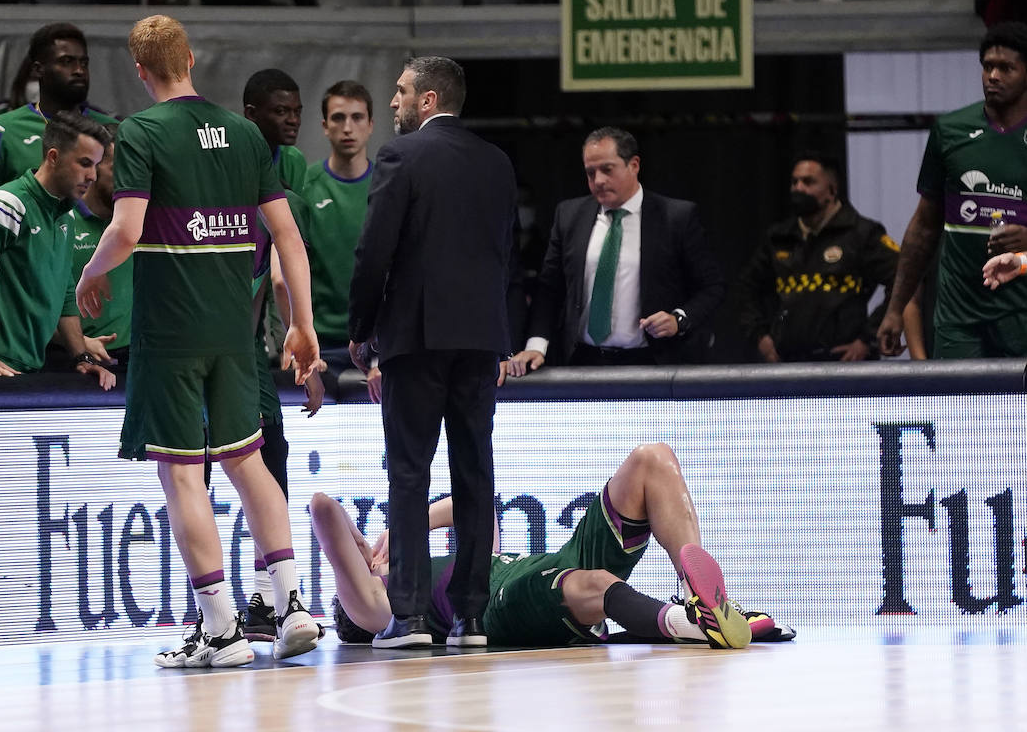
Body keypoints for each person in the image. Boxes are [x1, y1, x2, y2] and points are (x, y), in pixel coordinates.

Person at [74, 15, 322, 667]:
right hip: (233, 333)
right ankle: (293, 604)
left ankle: (220, 628)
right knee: (251, 463)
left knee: (184, 476)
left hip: (172, 333)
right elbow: (289, 237)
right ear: (190, 57)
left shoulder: (140, 132)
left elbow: (126, 230)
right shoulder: (244, 134)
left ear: (138, 69)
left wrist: (89, 274)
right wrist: (304, 322)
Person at [347, 55, 517, 649]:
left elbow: (375, 253)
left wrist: (361, 327)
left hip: (415, 338)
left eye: (399, 93)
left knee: (409, 473)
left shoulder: (401, 156)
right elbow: (506, 257)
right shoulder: (497, 163)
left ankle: (412, 616)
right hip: (481, 339)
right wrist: (501, 335)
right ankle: (472, 618)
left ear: (426, 100)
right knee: (474, 474)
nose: (392, 102)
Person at [312, 442, 774, 650]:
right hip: (508, 603)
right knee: (595, 584)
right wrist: (378, 549)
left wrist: (406, 528)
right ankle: (691, 624)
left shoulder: (449, 565)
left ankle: (705, 602)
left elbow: (479, 512)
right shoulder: (379, 610)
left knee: (651, 460)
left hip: (557, 559)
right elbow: (323, 508)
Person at [508, 127, 725, 372]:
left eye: (607, 170)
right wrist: (536, 345)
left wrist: (679, 319)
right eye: (591, 172)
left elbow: (712, 286)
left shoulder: (675, 218)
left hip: (652, 363)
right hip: (582, 361)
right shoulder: (569, 216)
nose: (598, 180)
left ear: (634, 165)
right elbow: (549, 289)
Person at [877, 22, 1027, 359]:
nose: (993, 76)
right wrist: (894, 309)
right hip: (959, 318)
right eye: (988, 66)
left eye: (1006, 68)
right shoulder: (950, 130)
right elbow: (924, 226)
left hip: (1021, 314)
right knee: (961, 410)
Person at [238, 67, 322, 642]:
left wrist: (297, 337)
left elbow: (277, 274)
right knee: (206, 469)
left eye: (297, 110)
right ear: (250, 113)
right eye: (279, 110)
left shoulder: (283, 178)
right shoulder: (229, 171)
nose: (291, 119)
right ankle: (222, 611)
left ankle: (268, 599)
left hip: (243, 348)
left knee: (268, 452)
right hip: (201, 343)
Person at [0, 111, 115, 387]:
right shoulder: (7, 203)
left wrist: (81, 358)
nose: (92, 176)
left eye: (96, 166)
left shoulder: (66, 215)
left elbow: (64, 293)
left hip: (23, 368)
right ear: (53, 157)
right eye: (85, 163)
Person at [0, 22, 117, 242]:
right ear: (38, 69)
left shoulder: (113, 132)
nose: (79, 70)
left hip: (99, 266)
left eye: (83, 63)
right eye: (66, 62)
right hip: (25, 267)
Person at [736, 152, 901, 362]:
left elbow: (902, 280)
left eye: (808, 182)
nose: (798, 188)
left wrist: (867, 339)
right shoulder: (779, 237)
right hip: (788, 363)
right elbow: (746, 288)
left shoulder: (861, 233)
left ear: (832, 190)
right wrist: (760, 336)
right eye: (794, 182)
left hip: (846, 364)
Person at [284, 79, 376, 372]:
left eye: (357, 117)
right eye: (338, 118)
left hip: (376, 344)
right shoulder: (305, 187)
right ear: (325, 126)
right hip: (318, 343)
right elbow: (286, 269)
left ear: (371, 124)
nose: (347, 127)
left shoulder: (389, 187)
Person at [57, 122, 132, 372]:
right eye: (119, 168)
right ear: (93, 167)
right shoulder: (59, 220)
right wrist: (79, 343)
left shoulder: (141, 220)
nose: (131, 179)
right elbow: (32, 305)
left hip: (139, 359)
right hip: (73, 360)